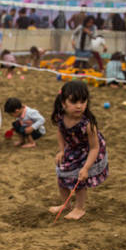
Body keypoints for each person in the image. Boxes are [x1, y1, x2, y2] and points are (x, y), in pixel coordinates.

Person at [49, 80, 108, 221]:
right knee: (61, 174)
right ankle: (66, 204)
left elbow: (95, 147)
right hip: (73, 149)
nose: (79, 106)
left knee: (79, 179)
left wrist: (86, 168)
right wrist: (62, 151)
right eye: (74, 102)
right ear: (63, 102)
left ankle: (79, 208)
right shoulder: (60, 116)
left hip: (89, 153)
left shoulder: (87, 125)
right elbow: (60, 132)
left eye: (83, 101)